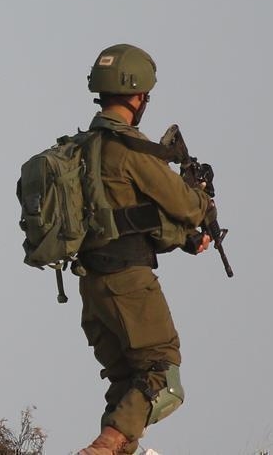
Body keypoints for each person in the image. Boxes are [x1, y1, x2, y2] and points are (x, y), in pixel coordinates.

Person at [74, 44, 214, 454]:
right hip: (128, 282)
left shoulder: (80, 149)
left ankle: (114, 449)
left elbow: (123, 219)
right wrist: (202, 197)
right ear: (138, 96)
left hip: (91, 284)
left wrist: (183, 237)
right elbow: (185, 205)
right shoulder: (131, 150)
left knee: (127, 384)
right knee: (161, 375)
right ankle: (100, 449)